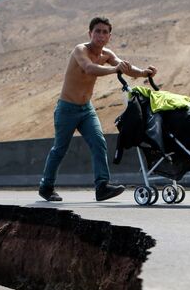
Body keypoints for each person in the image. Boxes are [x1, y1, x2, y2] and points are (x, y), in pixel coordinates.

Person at [39, 16, 157, 202]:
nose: (101, 35)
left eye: (105, 32)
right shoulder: (80, 50)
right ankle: (46, 186)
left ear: (109, 36)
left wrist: (144, 72)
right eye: (97, 31)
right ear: (90, 33)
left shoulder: (107, 54)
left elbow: (124, 67)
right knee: (59, 149)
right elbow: (89, 68)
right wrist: (114, 70)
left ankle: (102, 186)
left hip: (86, 110)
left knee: (98, 142)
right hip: (67, 109)